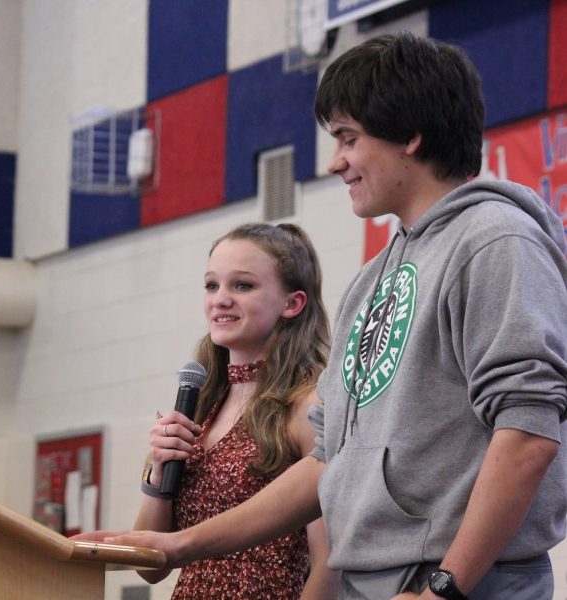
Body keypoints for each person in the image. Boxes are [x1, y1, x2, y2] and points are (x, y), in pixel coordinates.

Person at [80, 32, 567, 599]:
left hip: (457, 582)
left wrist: (447, 587)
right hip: (377, 580)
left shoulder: (494, 241)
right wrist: (182, 543)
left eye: (348, 139)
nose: (335, 162)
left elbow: (528, 431)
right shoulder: (370, 279)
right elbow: (327, 462)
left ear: (411, 135)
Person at [135, 223, 340, 598]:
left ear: (292, 303)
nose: (220, 299)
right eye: (212, 285)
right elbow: (149, 569)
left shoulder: (307, 406)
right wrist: (156, 474)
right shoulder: (202, 405)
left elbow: (330, 563)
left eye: (242, 286)